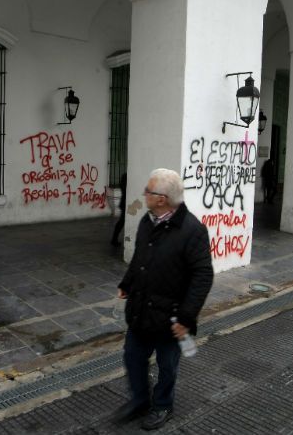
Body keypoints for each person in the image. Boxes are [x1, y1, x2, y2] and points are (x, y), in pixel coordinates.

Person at [113, 168, 213, 430]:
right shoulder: (148, 221)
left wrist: (186, 318)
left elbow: (202, 276)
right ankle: (140, 400)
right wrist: (127, 283)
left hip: (171, 317)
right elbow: (140, 259)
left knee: (167, 366)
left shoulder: (193, 231)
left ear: (162, 199)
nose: (144, 194)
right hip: (141, 309)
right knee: (133, 356)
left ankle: (162, 405)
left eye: (148, 190)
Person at [111, 172, 127, 246]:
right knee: (121, 222)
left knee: (121, 222)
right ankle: (114, 239)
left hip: (125, 203)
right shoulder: (127, 176)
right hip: (125, 203)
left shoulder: (125, 175)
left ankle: (114, 239)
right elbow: (124, 189)